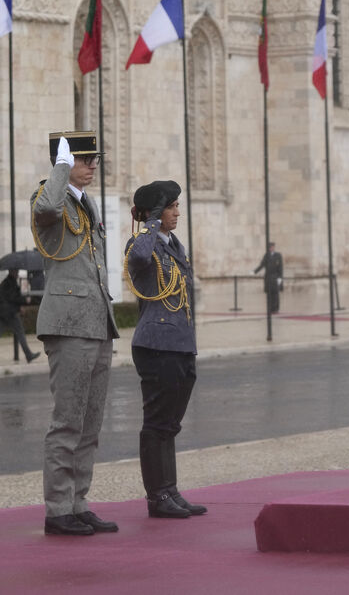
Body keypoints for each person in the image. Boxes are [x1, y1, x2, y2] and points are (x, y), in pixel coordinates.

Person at [31, 131, 119, 535]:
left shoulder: (88, 202)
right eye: (84, 158)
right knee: (67, 420)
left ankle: (78, 501)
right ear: (64, 162)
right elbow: (48, 205)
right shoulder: (47, 198)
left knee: (90, 422)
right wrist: (60, 168)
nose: (92, 165)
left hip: (96, 320)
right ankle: (57, 509)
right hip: (67, 324)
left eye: (93, 158)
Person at [124, 180, 206, 519]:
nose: (177, 212)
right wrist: (151, 223)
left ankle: (170, 490)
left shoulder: (173, 245)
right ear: (154, 212)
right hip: (156, 345)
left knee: (170, 423)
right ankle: (157, 497)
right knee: (157, 423)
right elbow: (140, 258)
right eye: (170, 207)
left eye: (174, 206)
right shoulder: (141, 244)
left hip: (180, 344)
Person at [0, 270, 41, 362]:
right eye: (16, 272)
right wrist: (23, 303)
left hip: (4, 313)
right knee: (21, 333)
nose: (18, 274)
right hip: (10, 313)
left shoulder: (7, 282)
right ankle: (29, 355)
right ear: (12, 272)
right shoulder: (10, 283)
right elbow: (13, 298)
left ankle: (29, 355)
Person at [254, 242, 284, 313]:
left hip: (275, 276)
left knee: (275, 294)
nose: (271, 248)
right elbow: (262, 265)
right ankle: (270, 308)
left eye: (272, 247)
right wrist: (255, 271)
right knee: (269, 294)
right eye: (270, 247)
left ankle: (276, 309)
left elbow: (280, 267)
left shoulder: (278, 255)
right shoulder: (266, 255)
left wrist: (280, 277)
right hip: (268, 277)